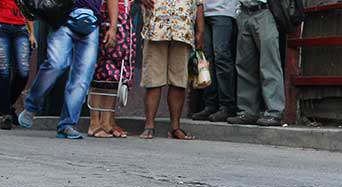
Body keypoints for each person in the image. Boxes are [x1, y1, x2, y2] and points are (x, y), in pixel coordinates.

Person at [18, 0, 119, 139]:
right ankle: (31, 106)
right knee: (56, 64)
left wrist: (113, 27)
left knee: (82, 77)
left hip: (91, 23)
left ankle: (67, 124)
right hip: (63, 18)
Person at [138, 0, 205, 139]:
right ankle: (149, 126)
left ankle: (175, 127)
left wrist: (200, 30)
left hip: (183, 29)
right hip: (155, 27)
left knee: (179, 81)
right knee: (153, 80)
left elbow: (199, 3)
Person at [227, 0, 284, 126]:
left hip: (265, 11)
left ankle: (274, 112)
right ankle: (247, 111)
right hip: (244, 12)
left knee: (269, 63)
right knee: (244, 65)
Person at [0, 0, 36, 130]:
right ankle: (6, 114)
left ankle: (6, 105)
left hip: (20, 28)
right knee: (3, 71)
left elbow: (29, 9)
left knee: (23, 72)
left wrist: (32, 33)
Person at [87, 0, 135, 138]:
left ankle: (107, 121)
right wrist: (113, 27)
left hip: (122, 17)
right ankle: (95, 122)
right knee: (101, 71)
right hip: (110, 18)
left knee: (115, 71)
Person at [188, 0, 237, 123]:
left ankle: (227, 106)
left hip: (223, 11)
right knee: (206, 60)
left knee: (221, 57)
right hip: (202, 13)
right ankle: (210, 105)